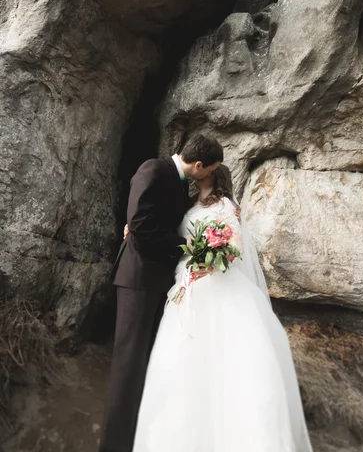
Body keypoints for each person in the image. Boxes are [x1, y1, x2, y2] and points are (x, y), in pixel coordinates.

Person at [132, 165, 314, 452]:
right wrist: (133, 227)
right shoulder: (187, 204)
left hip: (213, 279)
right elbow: (170, 234)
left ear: (214, 175)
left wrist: (213, 261)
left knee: (222, 355)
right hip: (185, 281)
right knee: (182, 357)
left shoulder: (226, 205)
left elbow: (235, 245)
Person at [98, 134, 224, 452]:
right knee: (128, 365)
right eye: (211, 169)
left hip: (157, 281)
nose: (211, 176)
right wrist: (188, 247)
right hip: (137, 278)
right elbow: (140, 223)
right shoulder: (153, 169)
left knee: (142, 363)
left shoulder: (181, 183)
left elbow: (151, 222)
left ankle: (135, 437)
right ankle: (113, 445)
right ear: (198, 165)